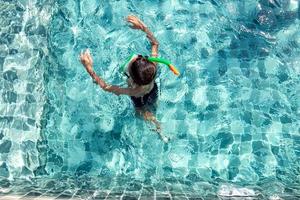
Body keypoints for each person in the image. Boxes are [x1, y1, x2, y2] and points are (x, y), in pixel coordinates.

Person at [80, 15, 170, 143]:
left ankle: (159, 129)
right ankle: (156, 117)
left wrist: (89, 68)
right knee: (154, 103)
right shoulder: (153, 68)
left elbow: (106, 87)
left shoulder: (134, 91)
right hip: (153, 89)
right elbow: (155, 43)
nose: (137, 58)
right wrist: (143, 27)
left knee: (143, 114)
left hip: (140, 100)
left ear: (131, 78)